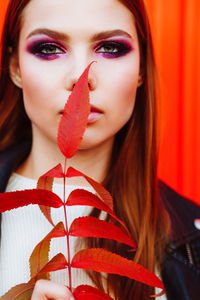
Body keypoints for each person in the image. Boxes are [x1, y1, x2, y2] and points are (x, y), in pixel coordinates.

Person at [0, 0, 200, 299]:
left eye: (110, 48)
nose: (81, 77)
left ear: (141, 68)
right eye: (49, 49)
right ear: (15, 68)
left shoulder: (191, 241)